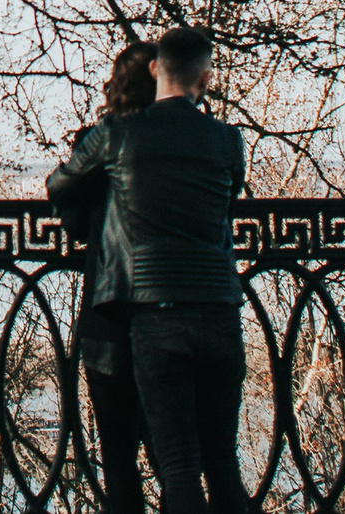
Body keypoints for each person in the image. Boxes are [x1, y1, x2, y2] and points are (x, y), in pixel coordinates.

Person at [107, 25, 250, 514]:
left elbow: (60, 185)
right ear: (205, 79)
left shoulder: (123, 135)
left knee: (180, 466)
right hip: (220, 305)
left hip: (158, 310)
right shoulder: (228, 140)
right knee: (224, 463)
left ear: (154, 69)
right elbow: (228, 199)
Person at [45, 40, 157, 514]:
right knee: (173, 451)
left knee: (117, 454)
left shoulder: (103, 138)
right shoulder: (175, 140)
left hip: (108, 310)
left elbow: (62, 195)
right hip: (167, 310)